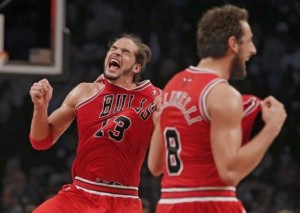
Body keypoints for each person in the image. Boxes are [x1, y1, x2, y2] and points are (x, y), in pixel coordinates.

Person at [147, 4, 287, 213]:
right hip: (210, 201)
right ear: (233, 44)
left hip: (169, 204)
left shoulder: (172, 85)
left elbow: (155, 166)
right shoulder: (223, 94)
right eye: (248, 41)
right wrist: (272, 128)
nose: (253, 50)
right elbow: (229, 172)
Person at [29, 33, 162, 213]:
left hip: (123, 199)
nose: (116, 53)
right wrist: (40, 108)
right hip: (80, 194)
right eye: (113, 49)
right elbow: (41, 141)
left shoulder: (155, 98)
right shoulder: (84, 92)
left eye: (125, 52)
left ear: (136, 67)